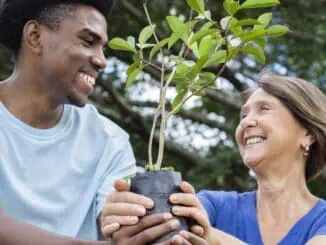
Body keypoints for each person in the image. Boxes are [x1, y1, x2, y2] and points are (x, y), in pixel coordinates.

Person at [0, 0, 179, 243]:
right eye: (88, 41)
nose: (102, 60)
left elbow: (116, 225)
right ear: (35, 36)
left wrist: (142, 225)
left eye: (103, 47)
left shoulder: (109, 142)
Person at [103, 71, 326, 245]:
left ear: (307, 133)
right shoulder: (214, 206)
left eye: (264, 109)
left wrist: (214, 238)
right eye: (244, 114)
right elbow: (169, 231)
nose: (246, 122)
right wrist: (128, 216)